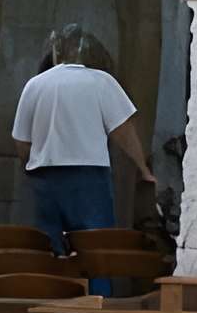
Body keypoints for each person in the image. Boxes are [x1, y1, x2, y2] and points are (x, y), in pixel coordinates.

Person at [9, 24, 156, 262]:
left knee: (48, 253)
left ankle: (53, 285)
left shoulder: (35, 85)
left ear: (56, 50)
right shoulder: (101, 82)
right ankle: (97, 287)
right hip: (88, 177)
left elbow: (21, 141)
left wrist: (31, 167)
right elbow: (124, 132)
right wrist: (143, 169)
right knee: (96, 252)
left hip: (43, 178)